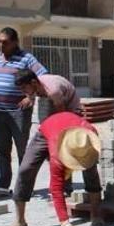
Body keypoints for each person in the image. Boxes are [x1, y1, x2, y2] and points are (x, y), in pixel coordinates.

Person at [5, 111, 103, 226]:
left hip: (69, 131)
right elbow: (56, 189)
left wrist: (77, 164)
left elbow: (87, 153)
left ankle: (96, 214)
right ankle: (20, 221)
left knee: (91, 170)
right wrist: (65, 224)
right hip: (47, 131)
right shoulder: (57, 154)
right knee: (25, 169)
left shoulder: (89, 138)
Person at [0, 27, 47, 193]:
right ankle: (2, 187)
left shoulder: (26, 58)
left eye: (5, 42)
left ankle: (24, 186)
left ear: (14, 42)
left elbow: (42, 75)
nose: (1, 45)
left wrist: (30, 97)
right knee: (3, 151)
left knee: (23, 150)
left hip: (18, 112)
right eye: (0, 42)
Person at [12, 70, 81, 198]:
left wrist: (56, 138)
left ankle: (65, 188)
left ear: (33, 82)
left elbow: (62, 117)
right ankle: (23, 195)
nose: (23, 92)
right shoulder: (34, 87)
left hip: (68, 110)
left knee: (60, 153)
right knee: (30, 162)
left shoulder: (53, 90)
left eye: (24, 88)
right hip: (50, 111)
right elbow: (32, 95)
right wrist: (29, 98)